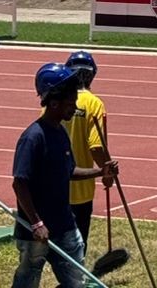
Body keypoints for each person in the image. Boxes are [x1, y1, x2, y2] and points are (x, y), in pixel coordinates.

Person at [11, 63, 115, 288]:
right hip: (35, 231)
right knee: (27, 278)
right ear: (54, 103)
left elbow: (69, 171)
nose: (74, 107)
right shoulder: (33, 138)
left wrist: (100, 171)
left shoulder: (61, 132)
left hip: (64, 224)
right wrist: (36, 223)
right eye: (70, 103)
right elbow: (19, 183)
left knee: (76, 281)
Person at [59, 50, 116, 250]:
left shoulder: (55, 100)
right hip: (81, 187)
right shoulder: (94, 104)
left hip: (54, 183)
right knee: (78, 243)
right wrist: (107, 171)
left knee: (57, 241)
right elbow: (96, 146)